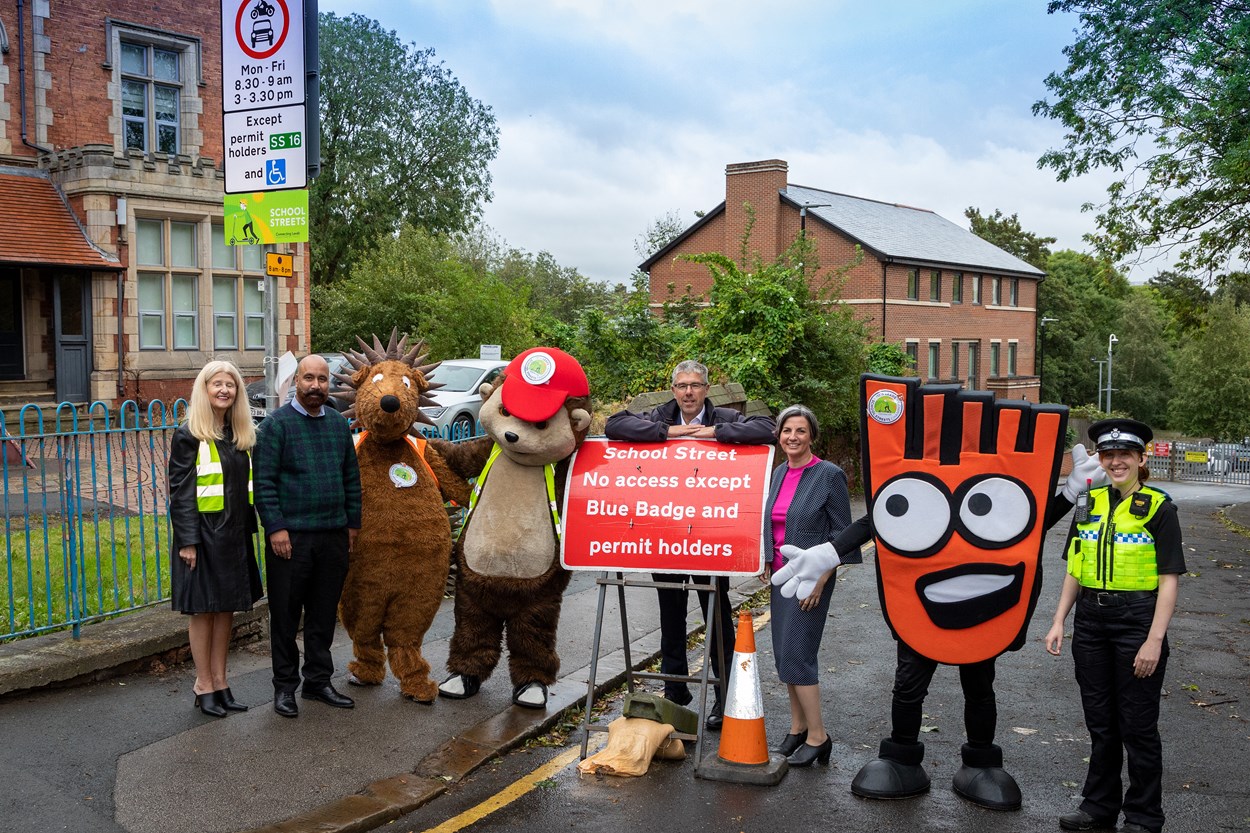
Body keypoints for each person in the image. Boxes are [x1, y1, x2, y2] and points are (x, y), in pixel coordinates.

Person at [604, 359, 776, 730]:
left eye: (695, 385)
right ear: (673, 389)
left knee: (717, 615)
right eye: (682, 385)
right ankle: (676, 693)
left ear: (706, 388)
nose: (688, 392)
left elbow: (767, 428)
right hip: (667, 535)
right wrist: (670, 434)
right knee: (670, 615)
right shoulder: (659, 415)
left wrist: (714, 433)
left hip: (711, 538)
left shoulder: (725, 416)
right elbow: (614, 423)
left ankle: (724, 696)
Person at [1045, 418, 1184, 833]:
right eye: (1109, 455)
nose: (1116, 461)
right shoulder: (1089, 502)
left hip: (1137, 622)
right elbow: (1075, 565)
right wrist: (1058, 620)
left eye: (1125, 455)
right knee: (1101, 723)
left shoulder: (1160, 507)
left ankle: (1143, 815)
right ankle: (1098, 807)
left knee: (1137, 726)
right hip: (1090, 621)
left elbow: (1169, 579)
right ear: (1101, 460)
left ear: (1142, 459)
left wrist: (1154, 641)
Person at [253, 354, 362, 718]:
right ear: (296, 382)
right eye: (308, 379)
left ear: (329, 383)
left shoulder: (336, 424)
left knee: (322, 614)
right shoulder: (275, 427)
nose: (316, 386)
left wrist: (352, 525)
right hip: (291, 540)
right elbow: (264, 484)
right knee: (285, 616)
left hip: (332, 535)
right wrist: (276, 527)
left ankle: (318, 681)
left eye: (322, 379)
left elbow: (351, 478)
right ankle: (285, 688)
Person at [167, 360, 264, 718]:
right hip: (203, 538)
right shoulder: (188, 434)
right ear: (204, 390)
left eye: (231, 385)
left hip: (234, 537)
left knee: (225, 610)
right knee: (204, 611)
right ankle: (203, 683)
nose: (224, 390)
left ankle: (221, 682)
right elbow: (180, 492)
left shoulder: (240, 436)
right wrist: (187, 541)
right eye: (217, 384)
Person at [763, 405, 854, 766]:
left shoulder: (829, 475)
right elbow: (772, 521)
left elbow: (842, 535)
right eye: (787, 431)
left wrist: (820, 579)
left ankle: (819, 736)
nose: (793, 437)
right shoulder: (778, 472)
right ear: (779, 435)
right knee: (785, 655)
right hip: (781, 578)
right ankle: (797, 728)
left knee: (799, 655)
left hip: (810, 582)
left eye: (800, 431)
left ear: (811, 436)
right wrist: (765, 560)